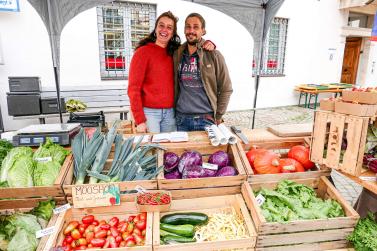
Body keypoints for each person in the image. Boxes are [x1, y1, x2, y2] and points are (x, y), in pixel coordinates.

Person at [128, 11, 215, 133]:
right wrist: (139, 120)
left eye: (169, 27)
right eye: (161, 25)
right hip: (150, 113)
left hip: (171, 113)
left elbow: (193, 44)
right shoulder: (142, 52)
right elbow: (133, 89)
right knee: (153, 150)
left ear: (173, 32)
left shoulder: (175, 52)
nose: (164, 30)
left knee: (169, 149)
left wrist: (208, 43)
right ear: (156, 28)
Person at [173, 13, 233, 131]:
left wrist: (219, 115)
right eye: (188, 27)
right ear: (184, 30)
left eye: (196, 27)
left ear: (203, 31)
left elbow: (226, 88)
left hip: (206, 119)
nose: (191, 31)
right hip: (181, 119)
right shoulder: (177, 54)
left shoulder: (214, 55)